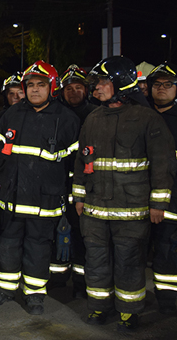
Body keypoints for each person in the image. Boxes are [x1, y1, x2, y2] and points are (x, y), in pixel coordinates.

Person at [73, 57, 175, 331]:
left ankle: (129, 312)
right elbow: (82, 161)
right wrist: (79, 197)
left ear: (120, 83)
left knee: (129, 261)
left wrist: (158, 203)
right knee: (96, 261)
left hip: (132, 210)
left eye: (102, 82)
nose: (97, 88)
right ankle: (98, 307)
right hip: (95, 209)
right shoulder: (93, 118)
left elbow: (163, 163)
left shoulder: (146, 119)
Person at [0, 60, 80, 315]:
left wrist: (69, 196)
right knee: (8, 245)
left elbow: (74, 164)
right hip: (12, 198)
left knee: (38, 248)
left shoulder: (67, 119)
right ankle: (4, 289)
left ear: (52, 87)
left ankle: (35, 295)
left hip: (45, 201)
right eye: (30, 85)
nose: (34, 90)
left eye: (41, 85)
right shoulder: (11, 115)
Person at [49, 65, 97, 297]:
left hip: (84, 186)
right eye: (69, 88)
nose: (74, 92)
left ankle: (81, 284)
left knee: (81, 236)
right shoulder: (54, 113)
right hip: (58, 184)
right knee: (55, 231)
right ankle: (57, 279)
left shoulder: (95, 114)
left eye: (79, 87)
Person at [146, 62, 177, 316]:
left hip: (173, 200)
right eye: (157, 84)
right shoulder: (140, 115)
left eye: (168, 84)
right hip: (138, 197)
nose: (162, 89)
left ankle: (167, 302)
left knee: (168, 249)